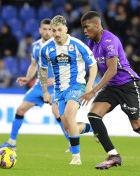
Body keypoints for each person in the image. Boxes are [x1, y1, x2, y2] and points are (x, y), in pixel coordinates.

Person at [79, 11, 140, 170]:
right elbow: (93, 66)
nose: (84, 31)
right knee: (94, 116)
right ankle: (113, 156)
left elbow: (112, 71)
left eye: (86, 27)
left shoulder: (109, 41)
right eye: (83, 28)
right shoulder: (91, 43)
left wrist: (93, 91)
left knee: (137, 125)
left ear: (97, 25)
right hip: (112, 86)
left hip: (128, 85)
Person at [0, 19, 94, 152]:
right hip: (39, 86)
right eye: (44, 29)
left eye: (49, 29)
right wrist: (28, 77)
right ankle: (12, 142)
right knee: (20, 110)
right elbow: (34, 65)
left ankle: (72, 141)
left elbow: (67, 66)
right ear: (40, 30)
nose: (47, 32)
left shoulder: (58, 46)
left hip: (56, 87)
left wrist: (56, 80)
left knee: (58, 113)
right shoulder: (35, 46)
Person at [39, 15, 98, 165]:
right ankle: (95, 128)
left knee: (70, 115)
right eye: (54, 30)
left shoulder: (77, 45)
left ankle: (76, 157)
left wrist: (90, 85)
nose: (57, 33)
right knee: (68, 127)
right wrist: (45, 91)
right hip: (59, 91)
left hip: (77, 86)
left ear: (66, 28)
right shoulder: (46, 48)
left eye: (59, 30)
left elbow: (93, 65)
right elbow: (43, 71)